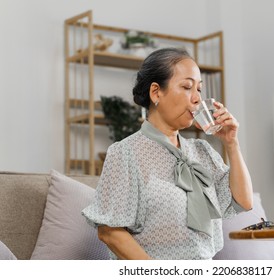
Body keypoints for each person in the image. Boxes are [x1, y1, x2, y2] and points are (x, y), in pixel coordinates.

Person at [82, 47, 253, 260]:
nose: (197, 98)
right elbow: (109, 232)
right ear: (156, 92)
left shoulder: (202, 151)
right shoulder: (125, 153)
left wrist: (232, 143)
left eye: (199, 89)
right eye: (187, 87)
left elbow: (243, 202)